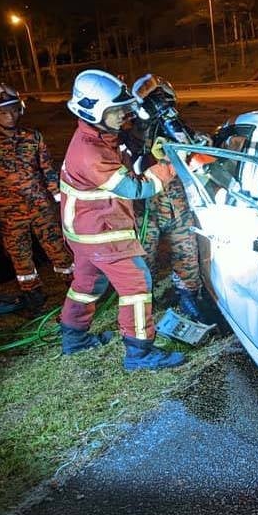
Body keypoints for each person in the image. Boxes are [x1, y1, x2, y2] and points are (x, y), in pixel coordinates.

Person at [58, 69, 185, 370]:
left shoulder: (95, 136)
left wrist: (142, 156)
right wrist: (167, 167)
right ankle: (140, 352)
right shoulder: (90, 152)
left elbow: (123, 165)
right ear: (94, 111)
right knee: (138, 284)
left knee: (87, 283)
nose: (123, 116)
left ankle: (73, 338)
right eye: (116, 111)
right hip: (102, 231)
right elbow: (134, 187)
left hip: (83, 230)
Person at [0, 82, 74, 313]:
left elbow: (47, 169)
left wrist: (59, 197)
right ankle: (32, 293)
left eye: (14, 109)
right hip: (9, 213)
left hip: (40, 206)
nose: (10, 115)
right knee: (20, 254)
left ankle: (75, 286)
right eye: (3, 111)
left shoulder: (33, 137)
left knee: (57, 246)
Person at [130, 74, 204, 323]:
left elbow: (196, 153)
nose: (162, 107)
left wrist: (202, 143)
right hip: (145, 210)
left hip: (178, 206)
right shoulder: (130, 137)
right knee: (142, 259)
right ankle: (143, 306)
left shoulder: (176, 128)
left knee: (186, 253)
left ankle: (188, 297)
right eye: (155, 102)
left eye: (164, 100)